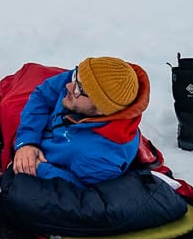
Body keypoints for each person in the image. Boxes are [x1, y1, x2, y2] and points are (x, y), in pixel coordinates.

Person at [11, 56, 148, 186]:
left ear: (101, 109)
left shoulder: (97, 158)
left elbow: (78, 192)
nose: (68, 86)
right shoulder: (83, 85)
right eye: (76, 76)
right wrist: (27, 142)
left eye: (78, 88)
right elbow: (42, 93)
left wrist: (36, 166)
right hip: (38, 137)